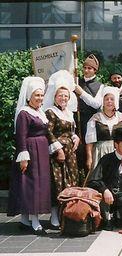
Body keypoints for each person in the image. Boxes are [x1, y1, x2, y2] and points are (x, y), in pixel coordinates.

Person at [8, 77, 51, 235]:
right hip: (31, 152)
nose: (40, 98)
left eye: (41, 95)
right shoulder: (24, 113)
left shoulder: (39, 112)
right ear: (28, 96)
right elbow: (21, 136)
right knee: (32, 185)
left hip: (41, 151)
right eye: (36, 95)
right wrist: (24, 156)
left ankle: (25, 220)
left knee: (35, 185)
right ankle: (35, 221)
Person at [43, 70, 80, 229]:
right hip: (58, 154)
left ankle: (66, 213)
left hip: (70, 153)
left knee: (69, 182)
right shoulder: (51, 112)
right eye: (60, 95)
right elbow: (48, 132)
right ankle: (54, 216)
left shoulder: (69, 113)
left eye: (66, 96)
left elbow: (70, 131)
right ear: (54, 96)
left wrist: (75, 137)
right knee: (57, 183)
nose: (63, 98)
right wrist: (58, 150)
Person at [87, 128, 122, 230]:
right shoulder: (107, 159)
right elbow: (93, 180)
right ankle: (106, 218)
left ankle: (119, 215)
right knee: (102, 198)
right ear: (116, 145)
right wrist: (105, 190)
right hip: (106, 196)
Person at [85, 87, 122, 171]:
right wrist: (89, 158)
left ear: (115, 102)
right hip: (100, 152)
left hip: (117, 151)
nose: (109, 101)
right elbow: (89, 141)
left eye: (112, 99)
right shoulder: (95, 118)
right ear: (103, 102)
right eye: (106, 99)